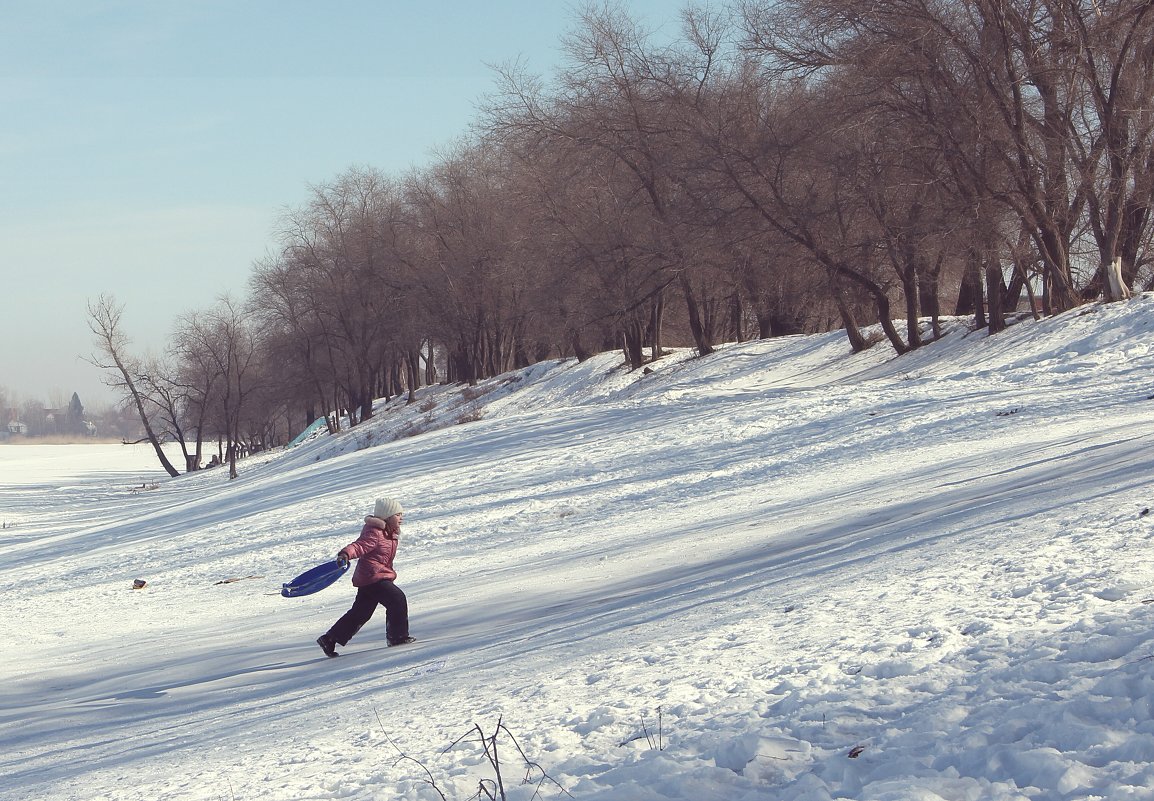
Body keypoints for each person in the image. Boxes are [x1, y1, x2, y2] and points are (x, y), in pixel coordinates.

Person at [316, 497, 415, 657]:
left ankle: (330, 639)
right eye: (397, 515)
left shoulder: (389, 533)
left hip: (372, 577)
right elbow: (359, 545)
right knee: (397, 599)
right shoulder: (375, 532)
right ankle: (397, 637)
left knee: (361, 613)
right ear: (387, 516)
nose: (401, 518)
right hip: (373, 577)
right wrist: (345, 554)